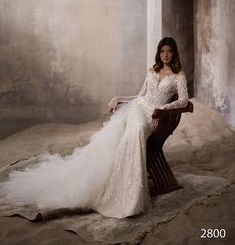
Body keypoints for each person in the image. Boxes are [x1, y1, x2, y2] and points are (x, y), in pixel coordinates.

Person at [0, 37, 188, 219]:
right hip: (138, 110)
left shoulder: (178, 76)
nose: (165, 55)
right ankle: (113, 183)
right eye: (162, 51)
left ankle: (125, 189)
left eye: (169, 52)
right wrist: (119, 98)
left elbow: (184, 101)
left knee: (133, 135)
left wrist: (162, 108)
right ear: (158, 53)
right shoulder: (152, 71)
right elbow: (140, 96)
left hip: (154, 116)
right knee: (131, 133)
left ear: (174, 54)